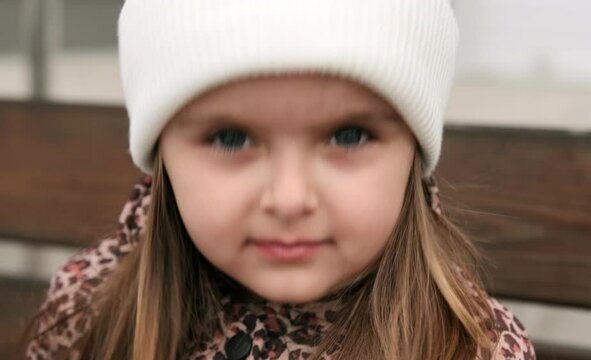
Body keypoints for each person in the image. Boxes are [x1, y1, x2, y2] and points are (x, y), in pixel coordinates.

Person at [24, 0, 535, 359]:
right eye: (231, 139)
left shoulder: (468, 349)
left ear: (412, 153)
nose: (290, 200)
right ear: (162, 159)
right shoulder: (93, 314)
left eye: (350, 135)